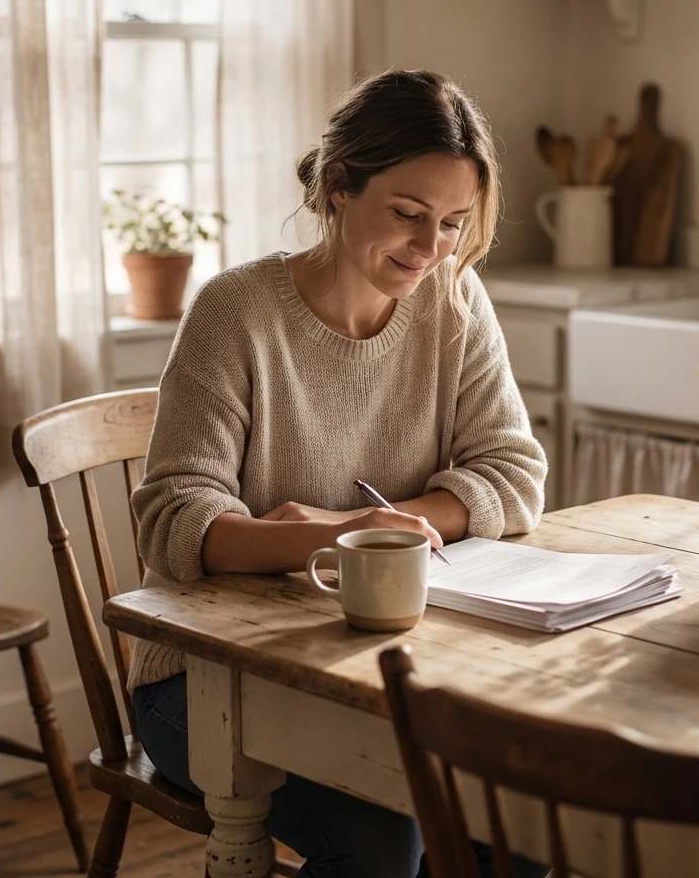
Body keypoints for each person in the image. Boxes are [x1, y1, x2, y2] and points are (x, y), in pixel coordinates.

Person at [128, 68, 549, 877]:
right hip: (206, 682)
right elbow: (174, 518)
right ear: (337, 188)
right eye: (408, 215)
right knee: (384, 845)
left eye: (455, 224)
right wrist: (334, 539)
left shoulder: (453, 301)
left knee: (519, 816)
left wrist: (380, 531)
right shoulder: (235, 311)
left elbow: (514, 472)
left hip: (380, 670)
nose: (431, 250)